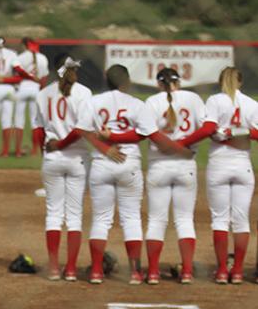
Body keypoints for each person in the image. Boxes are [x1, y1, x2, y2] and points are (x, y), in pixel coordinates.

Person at [76, 64, 191, 284]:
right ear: (126, 81)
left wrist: (105, 147)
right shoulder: (137, 104)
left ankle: (97, 272)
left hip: (101, 164)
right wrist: (179, 150)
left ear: (105, 79)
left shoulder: (93, 102)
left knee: (101, 219)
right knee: (131, 218)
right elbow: (151, 135)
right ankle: (136, 273)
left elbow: (82, 130)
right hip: (129, 164)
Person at [177, 67, 258, 283]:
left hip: (219, 164)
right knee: (241, 221)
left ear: (221, 81)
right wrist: (240, 132)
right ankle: (238, 271)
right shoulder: (252, 104)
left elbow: (208, 129)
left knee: (220, 220)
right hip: (243, 165)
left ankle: (223, 270)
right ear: (240, 82)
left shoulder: (215, 100)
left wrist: (183, 142)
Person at [142, 68, 206, 284]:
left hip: (158, 165)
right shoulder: (193, 98)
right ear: (179, 82)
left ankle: (152, 273)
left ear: (159, 84)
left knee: (156, 220)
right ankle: (187, 272)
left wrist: (168, 147)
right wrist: (182, 146)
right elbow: (205, 128)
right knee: (185, 220)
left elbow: (146, 133)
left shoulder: (151, 101)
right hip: (185, 164)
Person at [34, 55, 92, 280]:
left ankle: (53, 268)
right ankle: (70, 269)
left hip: (52, 158)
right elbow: (82, 129)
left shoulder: (43, 93)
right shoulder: (84, 93)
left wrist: (47, 152)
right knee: (74, 216)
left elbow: (38, 130)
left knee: (53, 214)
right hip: (77, 157)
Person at [13, 38, 49, 157]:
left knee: (19, 120)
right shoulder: (43, 58)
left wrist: (28, 76)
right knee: (35, 121)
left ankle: (18, 151)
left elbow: (16, 69)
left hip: (22, 87)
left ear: (25, 45)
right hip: (36, 89)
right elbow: (44, 78)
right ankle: (35, 150)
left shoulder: (22, 56)